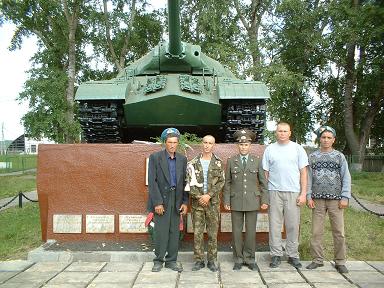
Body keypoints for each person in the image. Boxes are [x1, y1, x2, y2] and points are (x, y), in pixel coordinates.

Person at [262, 122, 308, 269]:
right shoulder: (270, 149)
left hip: (293, 192)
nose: (282, 133)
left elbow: (303, 173)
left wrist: (303, 193)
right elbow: (265, 173)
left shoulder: (298, 149)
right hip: (274, 192)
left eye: (285, 131)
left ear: (290, 133)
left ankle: (292, 255)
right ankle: (276, 254)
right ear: (276, 133)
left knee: (293, 225)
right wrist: (266, 193)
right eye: (279, 131)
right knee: (275, 225)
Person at [306, 125, 351, 274]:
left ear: (334, 140)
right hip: (317, 200)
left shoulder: (339, 156)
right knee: (316, 232)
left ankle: (340, 261)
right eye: (323, 137)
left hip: (336, 200)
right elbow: (308, 178)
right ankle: (317, 260)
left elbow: (346, 177)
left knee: (339, 231)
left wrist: (345, 196)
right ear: (319, 139)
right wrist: (308, 195)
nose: (326, 140)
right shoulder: (312, 157)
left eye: (329, 138)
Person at [223, 129, 268, 271]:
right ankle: (238, 259)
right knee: (236, 231)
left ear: (250, 146)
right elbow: (227, 182)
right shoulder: (231, 161)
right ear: (238, 146)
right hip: (235, 200)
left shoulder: (256, 160)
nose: (243, 147)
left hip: (252, 201)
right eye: (241, 145)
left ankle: (249, 258)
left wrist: (264, 200)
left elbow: (263, 182)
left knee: (250, 232)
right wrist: (226, 201)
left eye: (246, 145)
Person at [147, 128, 188, 272]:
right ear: (165, 142)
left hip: (176, 199)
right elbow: (152, 182)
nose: (172, 145)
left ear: (178, 143)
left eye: (175, 142)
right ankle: (158, 260)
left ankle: (171, 261)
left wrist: (185, 202)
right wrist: (157, 202)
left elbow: (184, 182)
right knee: (161, 231)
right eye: (169, 142)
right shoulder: (155, 157)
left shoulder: (182, 159)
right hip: (161, 199)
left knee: (174, 232)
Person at [185, 135, 225, 272]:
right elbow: (188, 183)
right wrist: (200, 197)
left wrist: (208, 195)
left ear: (214, 145)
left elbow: (221, 182)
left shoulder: (218, 162)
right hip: (197, 205)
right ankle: (199, 260)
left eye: (210, 143)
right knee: (198, 233)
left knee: (213, 234)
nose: (207, 145)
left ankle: (212, 260)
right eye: (205, 142)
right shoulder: (193, 163)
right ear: (202, 144)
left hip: (213, 204)